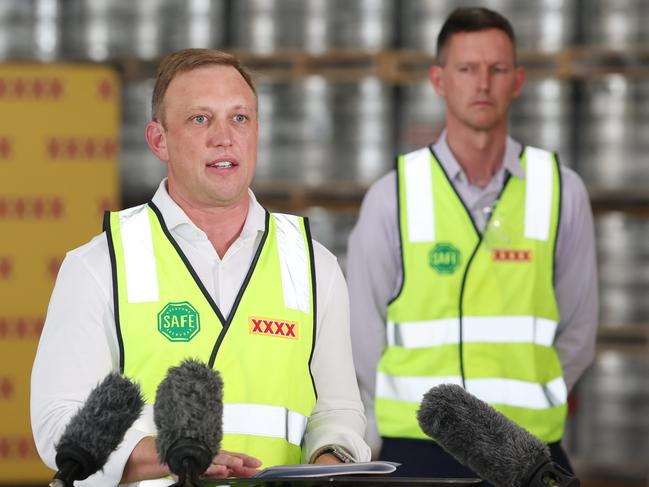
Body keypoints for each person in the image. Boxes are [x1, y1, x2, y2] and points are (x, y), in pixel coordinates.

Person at [31, 48, 370, 486]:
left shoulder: (312, 265)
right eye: (200, 119)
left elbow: (337, 410)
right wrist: (172, 456)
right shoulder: (100, 264)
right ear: (159, 141)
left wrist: (330, 459)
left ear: (257, 133)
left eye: (239, 118)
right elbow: (58, 419)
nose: (224, 137)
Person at [347, 7, 598, 478]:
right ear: (439, 80)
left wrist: (518, 418)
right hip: (418, 449)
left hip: (530, 452)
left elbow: (579, 334)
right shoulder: (392, 196)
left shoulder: (562, 191)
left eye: (497, 69)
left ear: (518, 80)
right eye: (467, 69)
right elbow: (362, 336)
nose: (482, 83)